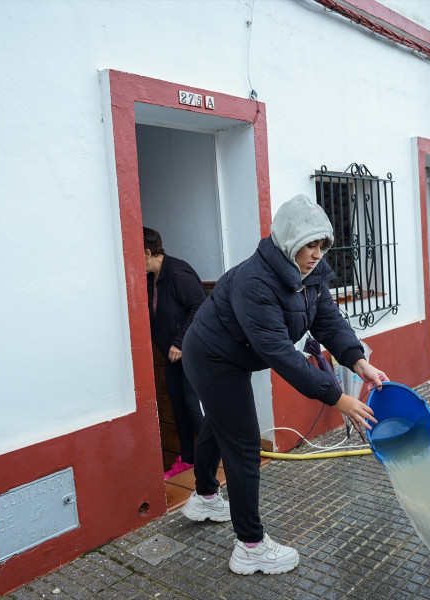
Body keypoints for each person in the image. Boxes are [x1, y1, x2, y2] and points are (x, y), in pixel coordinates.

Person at [180, 194, 388, 575]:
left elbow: (329, 322)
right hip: (211, 356)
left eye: (323, 244)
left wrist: (359, 362)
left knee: (221, 421)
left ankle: (205, 496)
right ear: (290, 239)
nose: (317, 253)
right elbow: (280, 354)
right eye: (310, 244)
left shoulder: (311, 276)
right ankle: (251, 547)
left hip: (231, 355)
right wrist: (338, 398)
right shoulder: (255, 282)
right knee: (243, 443)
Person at [143, 227, 207, 479]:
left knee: (193, 405)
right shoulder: (151, 279)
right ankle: (189, 458)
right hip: (172, 357)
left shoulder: (179, 272)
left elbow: (201, 305)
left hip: (190, 352)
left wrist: (179, 343)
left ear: (148, 252)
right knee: (177, 405)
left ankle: (211, 457)